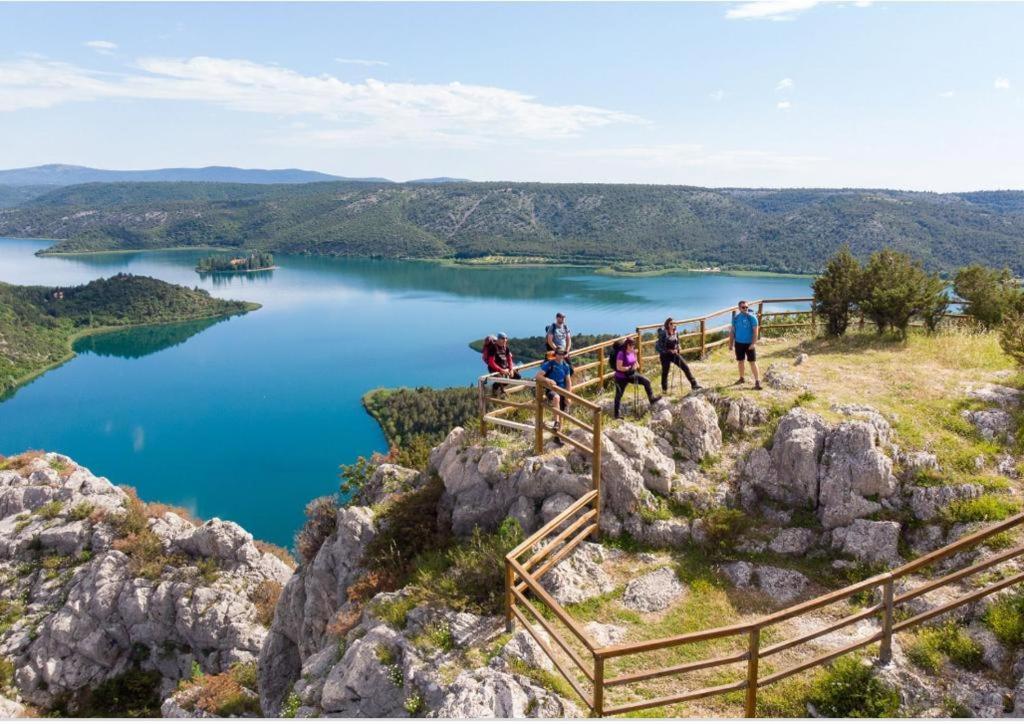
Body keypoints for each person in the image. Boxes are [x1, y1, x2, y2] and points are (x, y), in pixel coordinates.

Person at [613, 337, 661, 419]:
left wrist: (635, 366)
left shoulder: (632, 352)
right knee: (619, 395)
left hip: (631, 374)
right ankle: (616, 415)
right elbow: (618, 367)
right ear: (627, 345)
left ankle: (651, 398)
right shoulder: (621, 353)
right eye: (631, 345)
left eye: (633, 345)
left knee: (647, 381)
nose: (632, 346)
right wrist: (628, 368)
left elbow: (636, 364)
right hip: (621, 377)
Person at [656, 317, 701, 393]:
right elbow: (660, 346)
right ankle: (664, 389)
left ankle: (694, 384)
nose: (673, 325)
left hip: (674, 354)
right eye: (671, 323)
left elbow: (677, 342)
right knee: (665, 372)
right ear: (667, 324)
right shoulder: (663, 333)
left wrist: (678, 347)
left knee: (685, 367)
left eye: (674, 323)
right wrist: (669, 350)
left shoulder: (675, 332)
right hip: (665, 356)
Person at [536, 346, 574, 432]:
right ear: (555, 354)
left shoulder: (566, 366)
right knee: (556, 398)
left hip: (562, 390)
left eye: (563, 354)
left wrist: (569, 396)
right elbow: (538, 376)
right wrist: (548, 380)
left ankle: (558, 435)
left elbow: (568, 382)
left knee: (561, 412)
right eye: (559, 354)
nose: (561, 356)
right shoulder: (549, 364)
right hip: (552, 390)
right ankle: (556, 422)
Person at [729, 300, 762, 390]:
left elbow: (756, 332)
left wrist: (753, 343)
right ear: (739, 308)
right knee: (740, 361)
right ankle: (741, 378)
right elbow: (732, 331)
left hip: (749, 344)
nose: (745, 309)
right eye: (743, 307)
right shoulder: (735, 318)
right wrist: (730, 344)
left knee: (752, 362)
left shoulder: (752, 318)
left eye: (746, 307)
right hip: (739, 343)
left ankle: (757, 382)